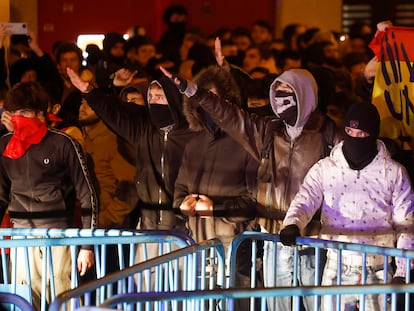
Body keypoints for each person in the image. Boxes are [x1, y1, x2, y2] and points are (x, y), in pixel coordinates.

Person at [160, 38, 340, 310]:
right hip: (274, 240)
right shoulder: (267, 131)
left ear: (305, 95)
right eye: (276, 94)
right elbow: (229, 115)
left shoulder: (329, 135)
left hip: (312, 243)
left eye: (287, 94)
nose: (281, 102)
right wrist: (193, 91)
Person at [280, 102, 414, 310]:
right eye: (350, 131)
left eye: (361, 134)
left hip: (378, 268)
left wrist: (402, 272)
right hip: (337, 265)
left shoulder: (394, 173)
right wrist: (292, 224)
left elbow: (406, 222)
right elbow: (306, 198)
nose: (355, 137)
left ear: (373, 134)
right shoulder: (325, 168)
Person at [0, 81, 98, 310]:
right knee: (23, 303)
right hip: (21, 238)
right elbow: (1, 195)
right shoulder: (5, 145)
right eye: (15, 112)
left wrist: (87, 246)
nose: (19, 117)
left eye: (25, 112)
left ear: (41, 114)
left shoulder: (63, 143)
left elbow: (88, 195)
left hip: (58, 237)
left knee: (63, 301)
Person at [66, 65, 196, 236]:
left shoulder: (192, 135)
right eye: (150, 96)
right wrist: (90, 92)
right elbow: (114, 113)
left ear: (173, 99)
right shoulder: (143, 130)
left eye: (160, 97)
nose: (154, 101)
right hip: (149, 223)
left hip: (184, 225)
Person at [173, 66, 259, 309]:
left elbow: (255, 200)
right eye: (202, 99)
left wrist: (217, 208)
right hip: (198, 245)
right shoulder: (194, 144)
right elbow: (179, 186)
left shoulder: (246, 143)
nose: (207, 105)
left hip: (235, 247)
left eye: (213, 98)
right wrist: (181, 204)